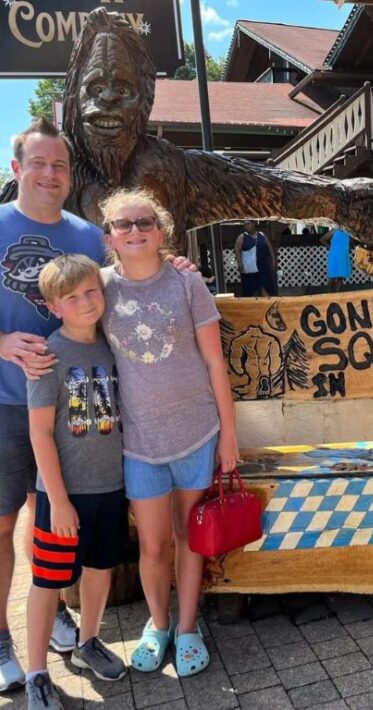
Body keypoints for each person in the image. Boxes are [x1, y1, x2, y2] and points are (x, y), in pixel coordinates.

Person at [0, 117, 194, 694]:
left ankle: (65, 621)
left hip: (72, 409)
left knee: (45, 509)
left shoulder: (84, 235)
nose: (50, 173)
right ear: (17, 168)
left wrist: (178, 269)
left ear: (70, 176)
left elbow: (127, 269)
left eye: (60, 165)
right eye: (39, 163)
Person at [100, 188, 239, 678]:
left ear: (161, 231)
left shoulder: (186, 284)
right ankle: (156, 624)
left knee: (188, 538)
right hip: (138, 442)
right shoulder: (100, 289)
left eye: (144, 222)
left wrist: (227, 435)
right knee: (153, 544)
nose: (134, 231)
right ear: (110, 236)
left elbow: (214, 360)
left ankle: (186, 627)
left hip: (196, 432)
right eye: (123, 224)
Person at [25, 255, 128, 709]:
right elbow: (40, 432)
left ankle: (88, 642)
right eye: (72, 297)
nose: (86, 302)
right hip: (63, 496)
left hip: (110, 486)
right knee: (48, 582)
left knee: (100, 569)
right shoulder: (49, 357)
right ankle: (36, 673)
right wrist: (59, 501)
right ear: (53, 306)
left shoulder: (112, 345)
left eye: (92, 292)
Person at [234, 220, 277, 297]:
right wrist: (239, 263)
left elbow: (270, 248)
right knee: (252, 290)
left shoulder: (262, 235)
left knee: (265, 287)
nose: (246, 226)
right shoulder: (242, 236)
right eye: (245, 225)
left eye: (248, 224)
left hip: (263, 266)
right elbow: (237, 249)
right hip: (250, 269)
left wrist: (273, 260)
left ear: (253, 224)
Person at [321, 226, 351, 292]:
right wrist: (330, 247)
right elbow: (322, 240)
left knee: (340, 277)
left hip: (343, 255)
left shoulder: (348, 231)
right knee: (332, 277)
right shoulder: (334, 230)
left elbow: (349, 243)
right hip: (334, 256)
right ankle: (330, 295)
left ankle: (337, 296)